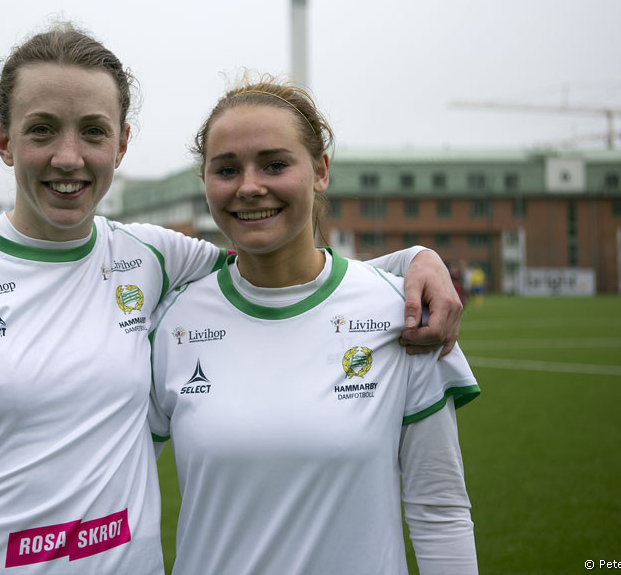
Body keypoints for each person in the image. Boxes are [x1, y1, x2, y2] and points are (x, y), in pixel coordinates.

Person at [0, 24, 464, 574]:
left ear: (121, 144)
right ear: (3, 140)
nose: (68, 156)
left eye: (93, 131)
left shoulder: (150, 257)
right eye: (41, 129)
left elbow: (286, 271)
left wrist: (415, 262)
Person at [146, 78, 481, 574]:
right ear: (205, 181)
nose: (249, 186)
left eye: (275, 164)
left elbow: (440, 512)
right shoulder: (172, 323)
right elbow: (116, 490)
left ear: (321, 171)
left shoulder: (404, 312)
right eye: (227, 169)